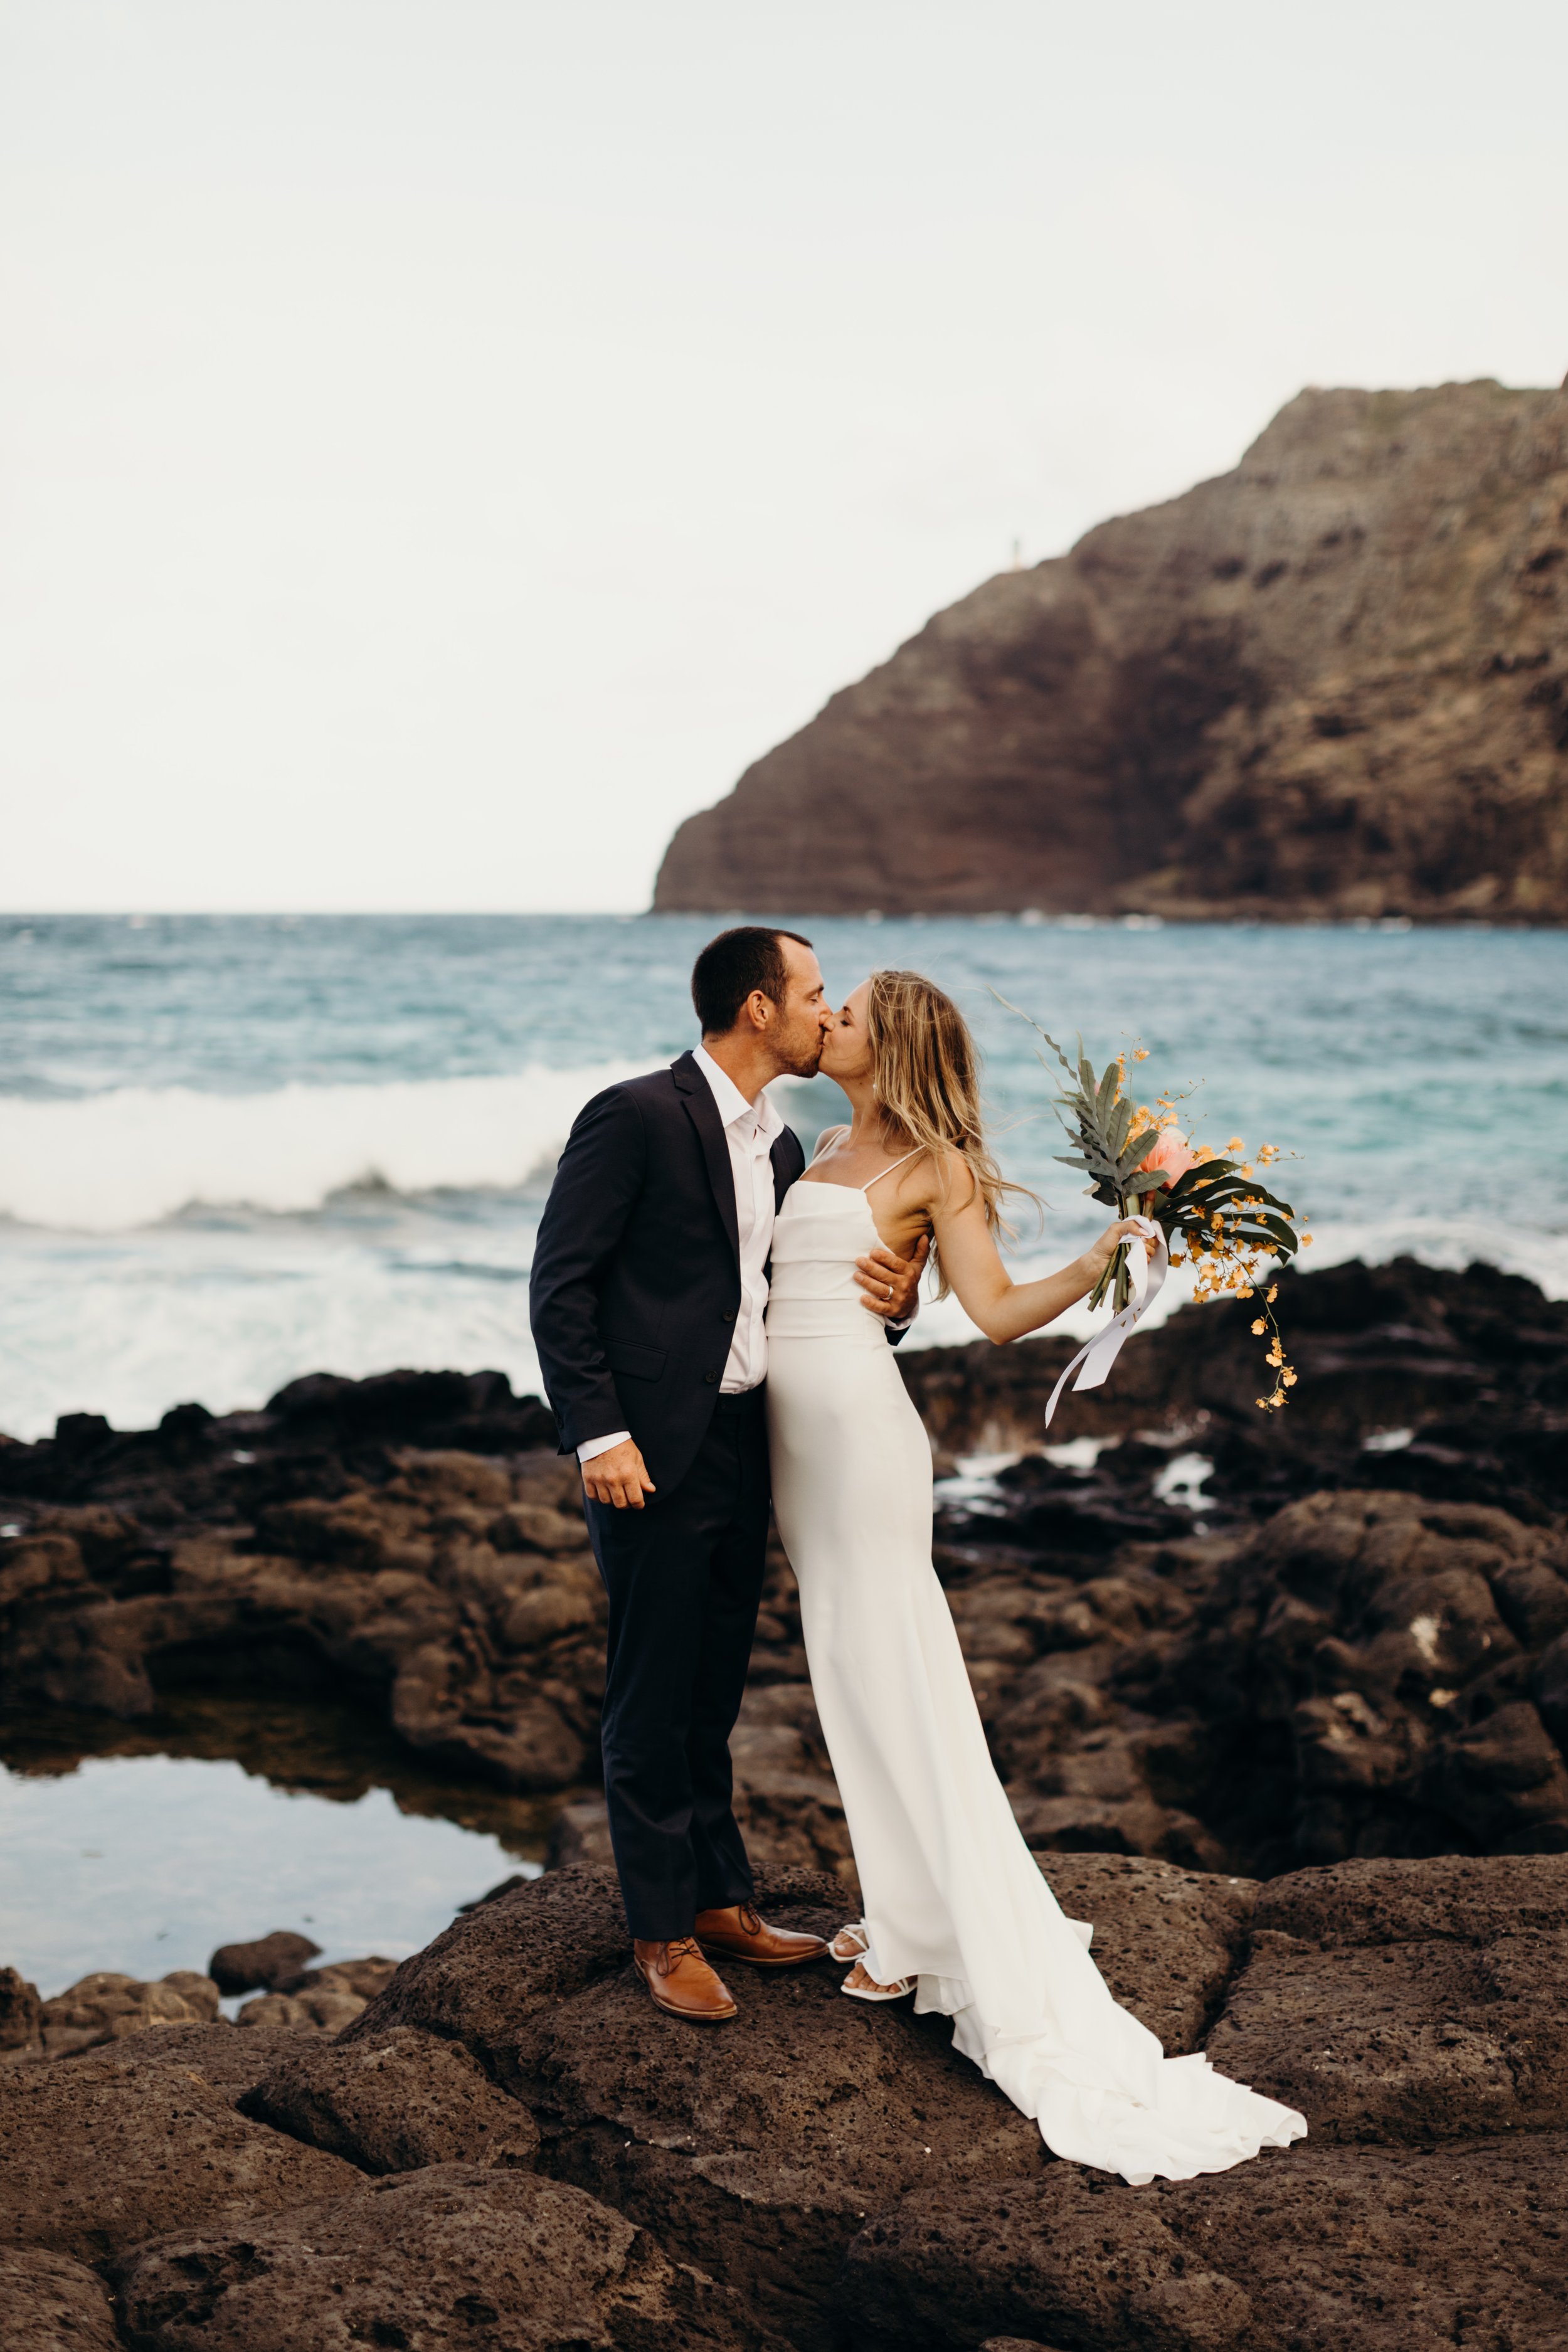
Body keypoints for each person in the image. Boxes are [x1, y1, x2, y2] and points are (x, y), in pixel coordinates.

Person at [765, 967, 1308, 2184]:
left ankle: (924, 1931)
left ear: (892, 1041)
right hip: (794, 1448)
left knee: (888, 1664)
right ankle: (902, 1918)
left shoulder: (936, 1167)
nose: (828, 1020)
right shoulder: (810, 1151)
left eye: (848, 1012)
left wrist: (1107, 1256)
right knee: (844, 1671)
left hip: (859, 1437)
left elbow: (999, 1312)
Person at [528, 928, 925, 2022]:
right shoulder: (637, 1114)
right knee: (650, 1694)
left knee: (713, 1690)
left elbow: (808, 1302)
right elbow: (561, 1284)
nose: (824, 1011)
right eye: (812, 994)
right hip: (649, 1454)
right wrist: (600, 1434)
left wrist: (899, 1303)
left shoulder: (788, 1149)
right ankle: (660, 1933)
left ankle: (719, 1900)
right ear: (759, 1008)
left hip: (749, 1445)